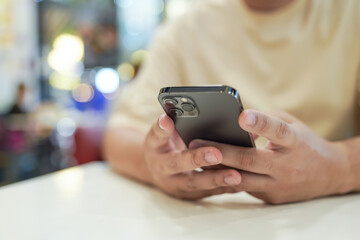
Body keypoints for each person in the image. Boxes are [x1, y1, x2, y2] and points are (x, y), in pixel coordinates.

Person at [103, 0, 360, 204]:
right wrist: (155, 166)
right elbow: (118, 135)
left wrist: (338, 167)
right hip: (207, 221)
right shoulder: (186, 28)